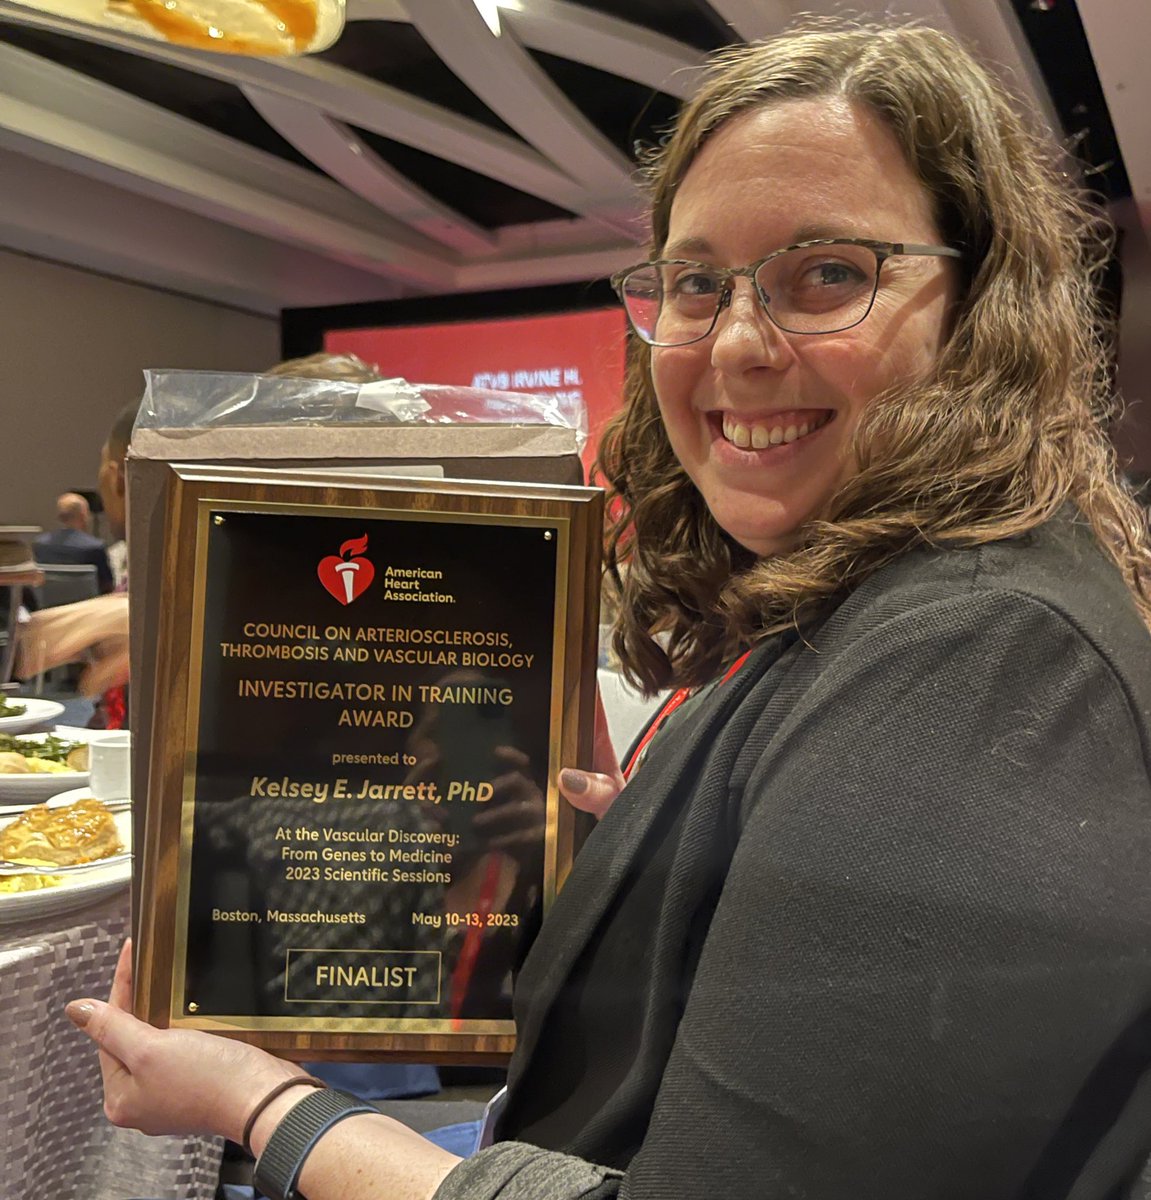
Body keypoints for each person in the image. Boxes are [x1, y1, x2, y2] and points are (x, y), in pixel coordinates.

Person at [65, 21, 1151, 1200]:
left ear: (976, 303)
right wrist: (643, 855)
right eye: (694, 283)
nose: (737, 342)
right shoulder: (855, 604)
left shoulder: (983, 655)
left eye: (827, 274)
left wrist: (260, 1103)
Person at [34, 492, 113, 594]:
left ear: (59, 517)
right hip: (86, 607)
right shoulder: (95, 547)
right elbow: (107, 586)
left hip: (49, 608)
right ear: (83, 516)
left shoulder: (40, 545)